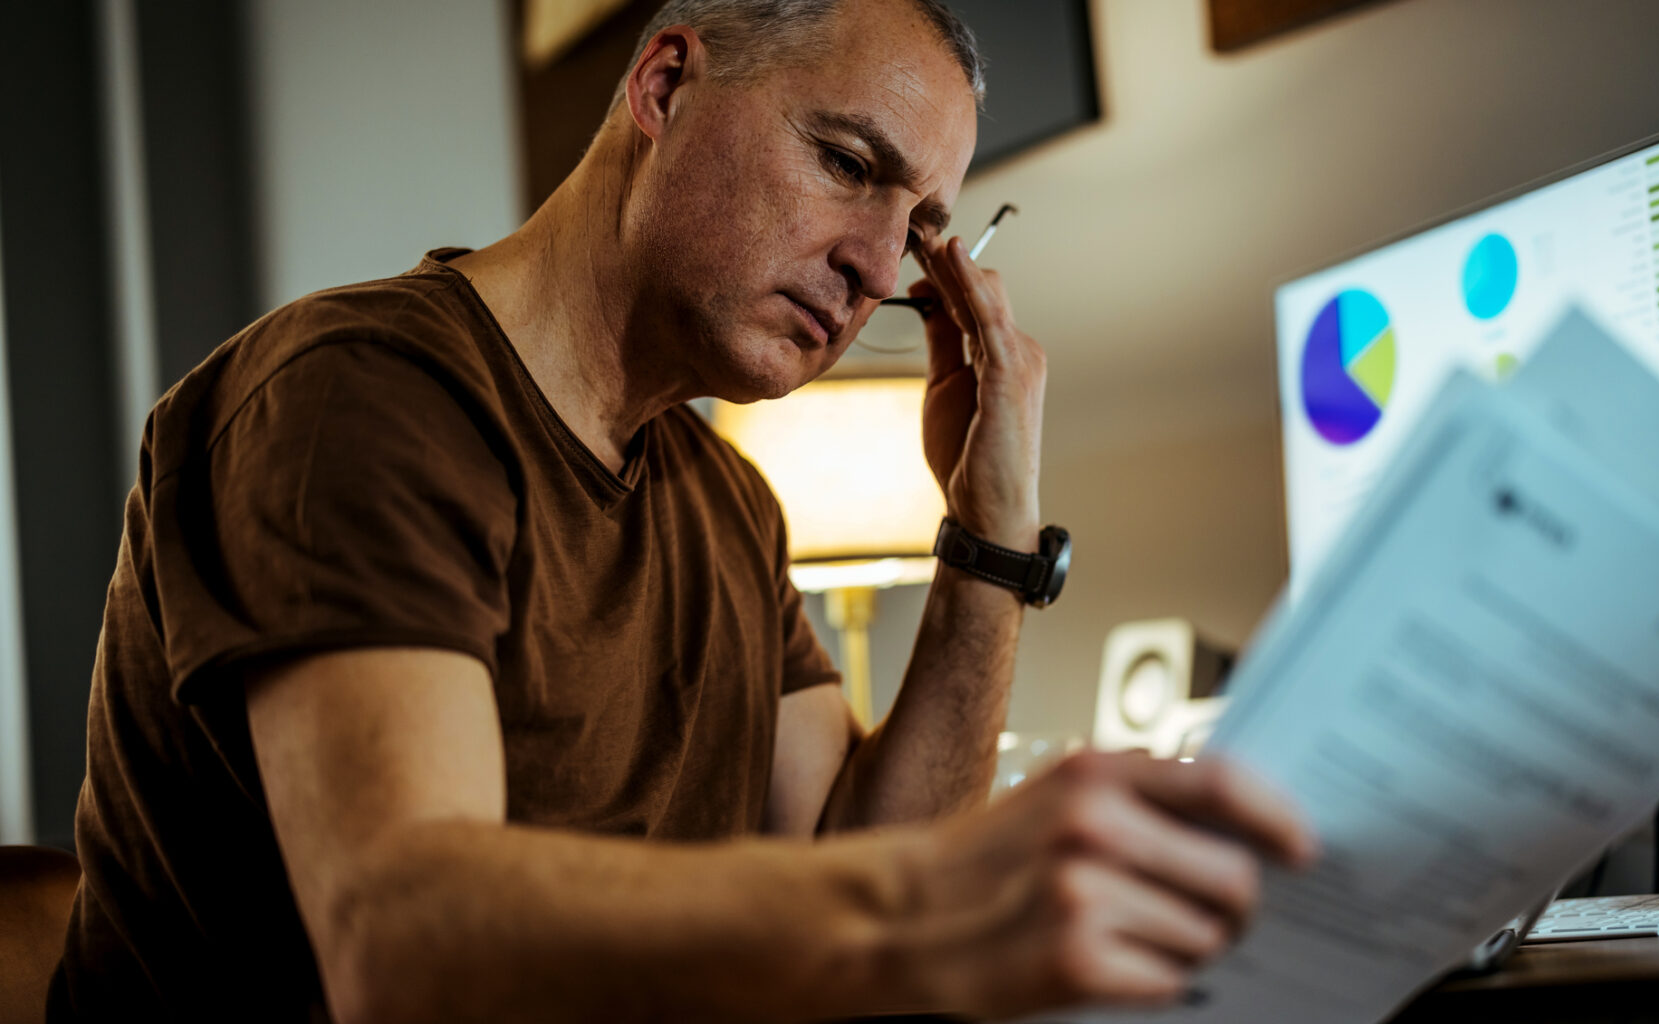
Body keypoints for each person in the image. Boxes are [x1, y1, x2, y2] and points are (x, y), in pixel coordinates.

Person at [51, 0, 1316, 1020]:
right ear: (663, 84)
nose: (881, 269)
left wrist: (988, 538)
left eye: (921, 225)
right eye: (846, 163)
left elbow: (842, 863)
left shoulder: (729, 510)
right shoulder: (356, 396)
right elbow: (403, 939)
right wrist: (941, 898)